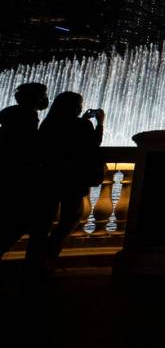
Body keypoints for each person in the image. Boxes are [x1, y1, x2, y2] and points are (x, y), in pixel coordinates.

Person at [29, 92, 105, 273]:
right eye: (79, 104)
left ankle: (32, 262)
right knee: (72, 216)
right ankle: (48, 254)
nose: (80, 107)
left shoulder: (48, 123)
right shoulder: (82, 125)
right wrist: (99, 123)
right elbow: (94, 143)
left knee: (42, 222)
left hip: (49, 178)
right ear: (75, 107)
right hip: (72, 180)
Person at [0, 82, 49, 259]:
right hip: (19, 176)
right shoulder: (26, 116)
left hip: (11, 173)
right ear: (35, 98)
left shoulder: (10, 113)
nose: (45, 99)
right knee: (19, 221)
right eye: (43, 95)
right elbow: (28, 146)